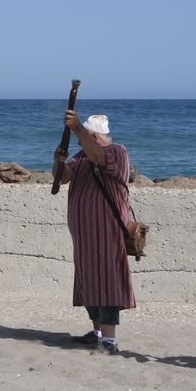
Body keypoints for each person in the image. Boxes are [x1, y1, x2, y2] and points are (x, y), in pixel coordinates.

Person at [59, 109, 136, 354]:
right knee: (89, 281)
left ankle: (110, 340)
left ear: (93, 135)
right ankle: (97, 331)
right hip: (84, 234)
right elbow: (62, 178)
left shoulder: (117, 152)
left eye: (85, 136)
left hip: (107, 233)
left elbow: (100, 158)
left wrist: (77, 129)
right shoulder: (83, 155)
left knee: (108, 282)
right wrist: (58, 162)